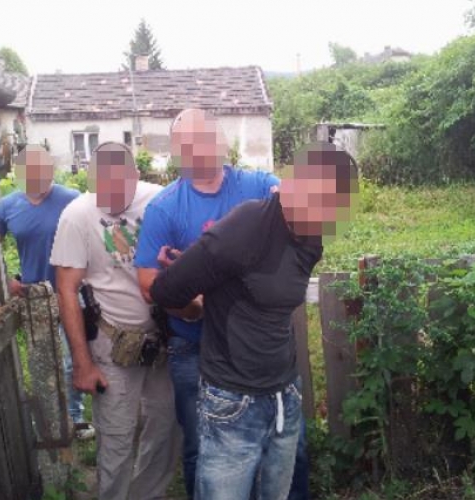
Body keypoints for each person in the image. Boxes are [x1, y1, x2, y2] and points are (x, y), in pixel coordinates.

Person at [149, 141, 359, 500]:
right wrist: (200, 305)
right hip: (232, 402)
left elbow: (266, 289)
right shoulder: (246, 224)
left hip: (285, 395)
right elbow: (165, 290)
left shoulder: (314, 238)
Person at [50, 142, 179, 500]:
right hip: (112, 341)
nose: (110, 195)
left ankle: (147, 495)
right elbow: (66, 290)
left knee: (165, 428)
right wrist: (83, 364)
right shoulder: (77, 216)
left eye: (119, 185)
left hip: (164, 337)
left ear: (135, 175)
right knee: (116, 437)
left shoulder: (160, 200)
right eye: (102, 185)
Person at [0, 144, 94, 439]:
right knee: (42, 362)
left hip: (71, 293)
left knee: (71, 359)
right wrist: (6, 279)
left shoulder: (72, 199)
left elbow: (93, 238)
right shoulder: (7, 206)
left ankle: (74, 417)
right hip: (35, 297)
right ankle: (50, 420)